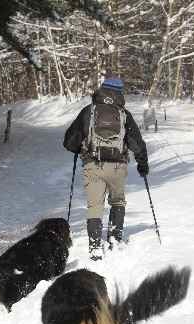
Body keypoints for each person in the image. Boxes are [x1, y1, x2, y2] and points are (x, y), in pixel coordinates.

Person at [63, 77, 148, 260]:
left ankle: (94, 246)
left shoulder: (89, 112)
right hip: (117, 166)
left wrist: (80, 148)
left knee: (95, 206)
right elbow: (137, 144)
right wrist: (143, 165)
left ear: (101, 90)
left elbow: (69, 141)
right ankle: (114, 239)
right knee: (117, 201)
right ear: (120, 93)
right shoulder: (124, 114)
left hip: (93, 165)